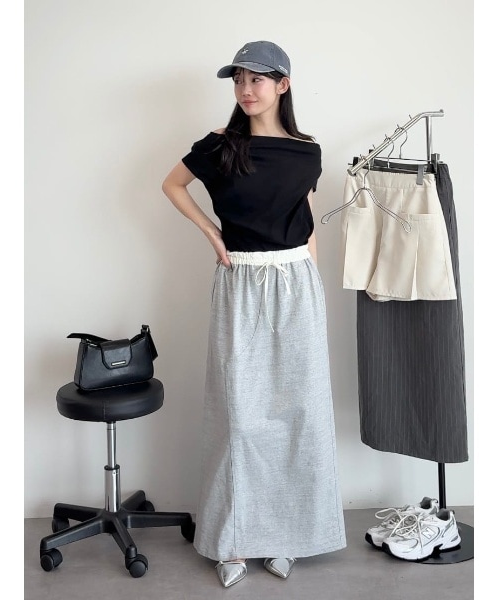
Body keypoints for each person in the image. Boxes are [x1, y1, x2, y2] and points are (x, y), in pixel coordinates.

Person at [162, 40, 346, 588]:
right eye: (238, 80)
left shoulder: (308, 152)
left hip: (296, 283)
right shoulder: (220, 145)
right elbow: (172, 185)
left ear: (282, 85)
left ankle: (287, 535)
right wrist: (211, 233)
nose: (245, 90)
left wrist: (313, 288)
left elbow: (305, 216)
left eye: (256, 79)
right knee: (239, 418)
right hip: (241, 279)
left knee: (297, 413)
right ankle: (235, 540)